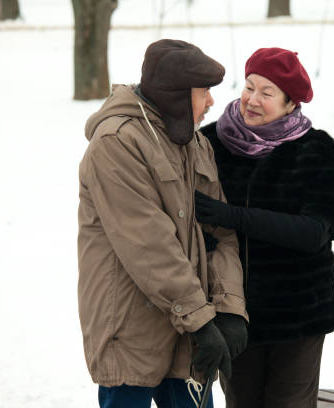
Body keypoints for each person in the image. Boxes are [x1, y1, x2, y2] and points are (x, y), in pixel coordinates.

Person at [77, 39, 248, 408]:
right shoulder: (117, 143)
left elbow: (219, 234)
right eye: (204, 92)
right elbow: (148, 244)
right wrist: (202, 321)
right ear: (175, 94)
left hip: (190, 330)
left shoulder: (194, 144)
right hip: (130, 327)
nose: (211, 103)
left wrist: (229, 308)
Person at [195, 47, 334, 408]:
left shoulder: (316, 150)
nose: (252, 100)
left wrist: (232, 216)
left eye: (267, 93)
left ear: (291, 103)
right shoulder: (210, 143)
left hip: (299, 315)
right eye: (249, 87)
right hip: (235, 313)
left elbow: (316, 232)